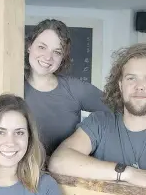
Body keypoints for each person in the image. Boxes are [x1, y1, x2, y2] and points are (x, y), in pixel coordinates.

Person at [49, 43, 146, 192]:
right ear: (121, 85)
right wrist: (128, 174)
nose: (140, 86)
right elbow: (59, 161)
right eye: (131, 78)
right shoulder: (99, 123)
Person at [24, 19, 109, 157]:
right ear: (29, 46)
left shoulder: (75, 89)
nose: (48, 57)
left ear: (63, 57)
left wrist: (88, 135)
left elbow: (117, 110)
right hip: (24, 173)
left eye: (57, 52)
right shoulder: (12, 86)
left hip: (65, 175)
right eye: (42, 47)